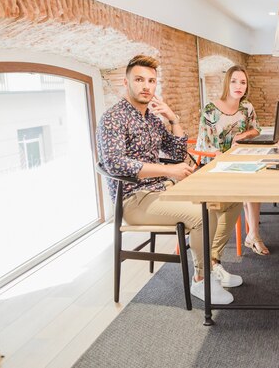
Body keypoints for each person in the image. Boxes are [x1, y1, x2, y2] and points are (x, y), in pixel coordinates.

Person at [97, 55, 242, 305]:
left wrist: (173, 119)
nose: (146, 86)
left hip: (164, 189)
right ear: (125, 82)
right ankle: (201, 280)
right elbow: (115, 163)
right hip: (134, 200)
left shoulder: (151, 117)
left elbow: (175, 153)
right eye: (139, 80)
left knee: (230, 200)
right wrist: (167, 172)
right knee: (202, 215)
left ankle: (212, 262)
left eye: (151, 81)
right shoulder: (114, 118)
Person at [195, 65, 269, 256]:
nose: (239, 86)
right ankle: (252, 236)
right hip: (214, 164)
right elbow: (205, 146)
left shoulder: (246, 107)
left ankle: (253, 234)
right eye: (234, 81)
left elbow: (256, 129)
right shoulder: (211, 110)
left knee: (256, 179)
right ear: (227, 83)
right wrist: (224, 157)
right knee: (250, 183)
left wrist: (243, 136)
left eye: (243, 82)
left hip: (240, 159)